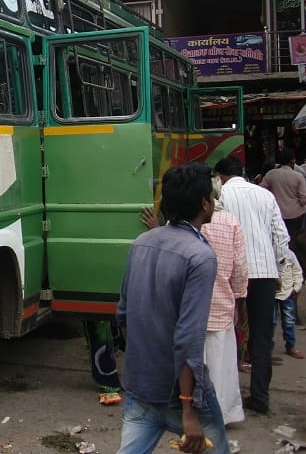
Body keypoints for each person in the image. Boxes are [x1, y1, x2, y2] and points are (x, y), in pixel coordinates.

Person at [116, 163, 228, 454]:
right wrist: (188, 409)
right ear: (204, 203)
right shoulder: (200, 256)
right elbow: (189, 338)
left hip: (140, 385)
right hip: (179, 395)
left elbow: (124, 315)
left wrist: (142, 365)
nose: (214, 203)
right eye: (211, 198)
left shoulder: (141, 243)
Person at [214, 156, 291, 415]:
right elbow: (281, 237)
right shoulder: (265, 196)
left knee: (225, 332)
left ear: (220, 176)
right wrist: (279, 271)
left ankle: (228, 396)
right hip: (264, 272)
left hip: (230, 272)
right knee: (262, 337)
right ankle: (260, 397)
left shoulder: (220, 195)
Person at [260, 149, 306, 241]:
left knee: (280, 239)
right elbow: (303, 199)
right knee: (296, 239)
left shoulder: (271, 174)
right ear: (292, 162)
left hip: (278, 214)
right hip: (296, 214)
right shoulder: (298, 176)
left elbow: (261, 189)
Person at [275, 250, 304, 359]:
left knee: (289, 321)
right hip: (271, 294)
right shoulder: (268, 254)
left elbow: (297, 271)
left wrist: (296, 288)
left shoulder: (290, 254)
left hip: (287, 293)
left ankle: (290, 346)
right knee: (270, 323)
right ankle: (267, 349)